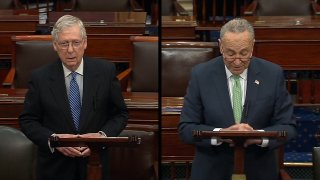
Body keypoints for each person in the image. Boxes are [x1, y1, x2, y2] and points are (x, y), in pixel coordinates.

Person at [178, 18, 296, 180]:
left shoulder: (272, 74)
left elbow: (288, 127)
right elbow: (186, 128)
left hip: (259, 169)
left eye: (244, 53)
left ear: (253, 46)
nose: (238, 61)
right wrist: (220, 134)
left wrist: (259, 136)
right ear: (220, 46)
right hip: (212, 170)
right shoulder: (201, 75)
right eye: (231, 53)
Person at [19, 15, 128, 180]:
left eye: (76, 42)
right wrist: (53, 140)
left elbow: (120, 114)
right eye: (64, 43)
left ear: (85, 43)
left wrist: (102, 137)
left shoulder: (105, 71)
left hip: (95, 165)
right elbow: (28, 120)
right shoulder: (40, 77)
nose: (70, 50)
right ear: (55, 45)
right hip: (55, 168)